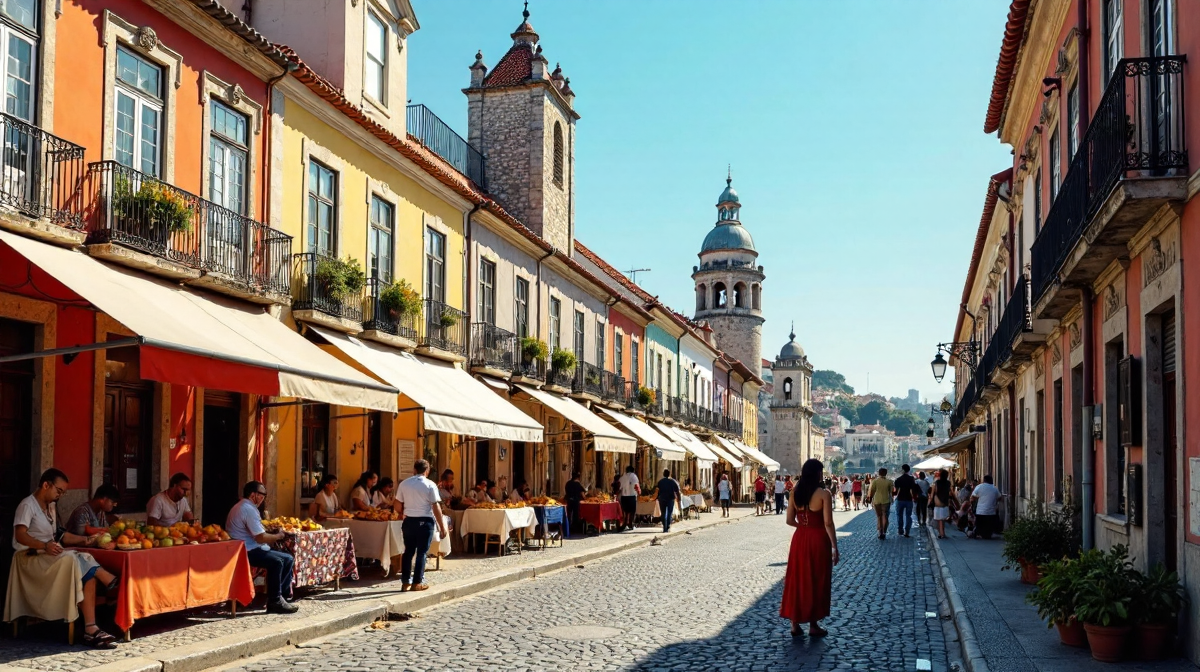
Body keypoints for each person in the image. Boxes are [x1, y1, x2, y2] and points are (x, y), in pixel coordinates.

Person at [12, 469, 122, 648]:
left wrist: (86, 540)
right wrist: (44, 545)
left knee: (86, 570)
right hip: (31, 559)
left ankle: (91, 628)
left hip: (49, 556)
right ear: (46, 485)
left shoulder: (51, 507)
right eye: (59, 491)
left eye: (63, 492)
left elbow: (60, 536)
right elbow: (20, 535)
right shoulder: (27, 505)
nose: (60, 495)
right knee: (74, 557)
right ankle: (108, 579)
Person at [780, 458, 838, 638]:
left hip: (800, 539)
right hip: (818, 539)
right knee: (817, 579)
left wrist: (803, 527)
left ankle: (794, 624)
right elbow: (828, 523)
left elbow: (789, 520)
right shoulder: (824, 494)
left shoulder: (794, 492)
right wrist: (835, 546)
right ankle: (813, 624)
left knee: (797, 578)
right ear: (817, 474)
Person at [226, 481, 298, 614]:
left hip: (247, 547)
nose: (263, 498)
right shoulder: (248, 509)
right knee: (277, 561)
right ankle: (275, 601)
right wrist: (279, 536)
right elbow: (260, 537)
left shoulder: (243, 506)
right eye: (262, 495)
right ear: (253, 494)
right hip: (245, 550)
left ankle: (281, 596)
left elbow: (257, 532)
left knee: (288, 558)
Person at [395, 460, 448, 592]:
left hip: (409, 521)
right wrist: (442, 526)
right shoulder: (430, 484)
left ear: (414, 470)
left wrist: (403, 512)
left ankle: (405, 582)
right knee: (421, 552)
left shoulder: (404, 484)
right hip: (425, 521)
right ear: (427, 471)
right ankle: (417, 582)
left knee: (408, 551)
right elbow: (435, 506)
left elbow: (397, 505)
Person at [969, 475, 1002, 539]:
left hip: (980, 511)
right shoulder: (995, 488)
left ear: (984, 480)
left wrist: (977, 499)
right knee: (989, 525)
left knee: (979, 524)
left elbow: (972, 498)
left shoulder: (979, 487)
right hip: (991, 512)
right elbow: (1000, 498)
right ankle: (987, 534)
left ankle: (978, 533)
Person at [867, 468, 893, 540]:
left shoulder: (875, 481)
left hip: (877, 500)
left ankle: (880, 532)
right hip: (886, 501)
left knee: (879, 517)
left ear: (879, 473)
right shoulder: (889, 482)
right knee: (885, 516)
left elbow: (872, 491)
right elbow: (891, 492)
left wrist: (870, 499)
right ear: (886, 473)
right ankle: (884, 532)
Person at [892, 464, 918, 538]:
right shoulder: (911, 479)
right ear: (908, 470)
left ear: (902, 470)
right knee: (908, 515)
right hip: (909, 499)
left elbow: (895, 491)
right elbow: (913, 490)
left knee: (899, 515)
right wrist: (914, 498)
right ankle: (907, 532)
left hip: (900, 499)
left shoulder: (898, 479)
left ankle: (900, 530)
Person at [931, 469, 957, 540]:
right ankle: (942, 533)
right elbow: (951, 493)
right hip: (945, 503)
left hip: (938, 503)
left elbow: (933, 494)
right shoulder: (948, 483)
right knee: (942, 520)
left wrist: (930, 502)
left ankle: (941, 534)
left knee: (939, 520)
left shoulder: (936, 483)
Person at [618, 465, 640, 531]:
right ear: (633, 470)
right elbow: (636, 486)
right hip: (632, 496)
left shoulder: (622, 477)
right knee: (632, 511)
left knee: (625, 511)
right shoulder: (634, 476)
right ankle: (630, 523)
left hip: (624, 497)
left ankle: (624, 524)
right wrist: (639, 492)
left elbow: (620, 487)